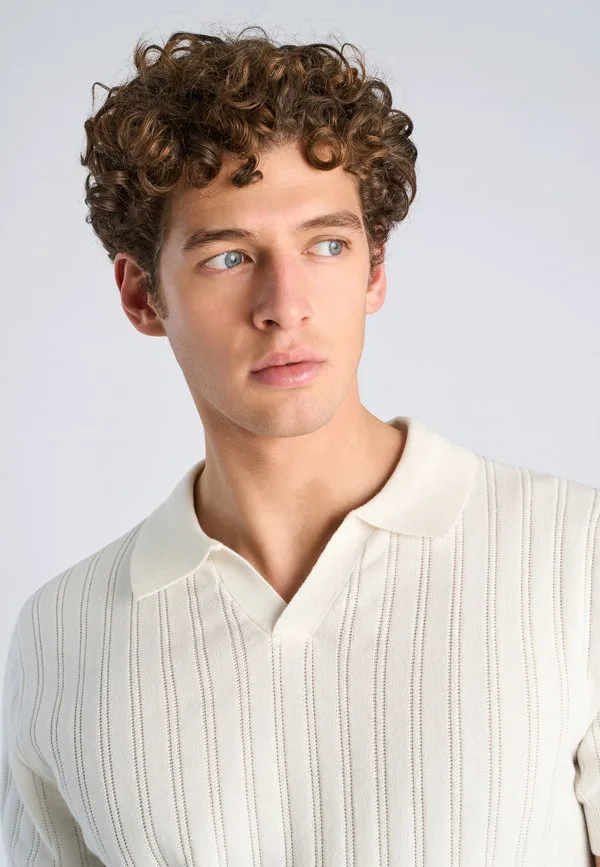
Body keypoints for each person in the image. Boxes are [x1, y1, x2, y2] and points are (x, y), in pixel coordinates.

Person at [1, 25, 599, 867]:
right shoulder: (63, 636)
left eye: (326, 245)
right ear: (142, 295)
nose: (285, 304)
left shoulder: (574, 556)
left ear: (374, 270)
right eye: (227, 256)